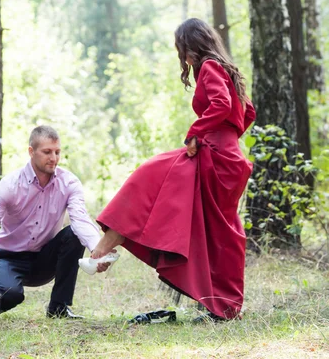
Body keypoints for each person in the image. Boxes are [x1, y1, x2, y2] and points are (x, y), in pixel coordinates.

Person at [91, 18, 256, 322]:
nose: (180, 55)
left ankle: (103, 249)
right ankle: (223, 305)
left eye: (180, 48)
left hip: (216, 155)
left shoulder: (208, 67)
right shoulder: (227, 70)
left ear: (188, 45)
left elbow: (219, 105)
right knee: (216, 231)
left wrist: (197, 133)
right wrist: (227, 138)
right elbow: (249, 112)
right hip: (229, 157)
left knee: (148, 179)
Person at [0, 125, 109, 320]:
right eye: (47, 152)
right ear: (31, 151)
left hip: (43, 259)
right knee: (11, 294)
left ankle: (58, 308)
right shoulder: (9, 185)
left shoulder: (69, 183)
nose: (53, 158)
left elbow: (80, 220)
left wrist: (98, 250)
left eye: (57, 152)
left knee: (73, 234)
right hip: (7, 258)